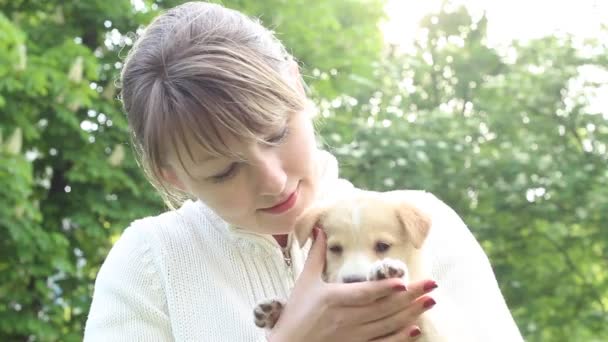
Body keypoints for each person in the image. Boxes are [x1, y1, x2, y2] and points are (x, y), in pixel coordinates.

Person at [84, 2, 524, 341]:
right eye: (224, 172)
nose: (273, 180)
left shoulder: (422, 222)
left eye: (276, 134)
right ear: (173, 177)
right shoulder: (149, 263)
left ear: (296, 85)